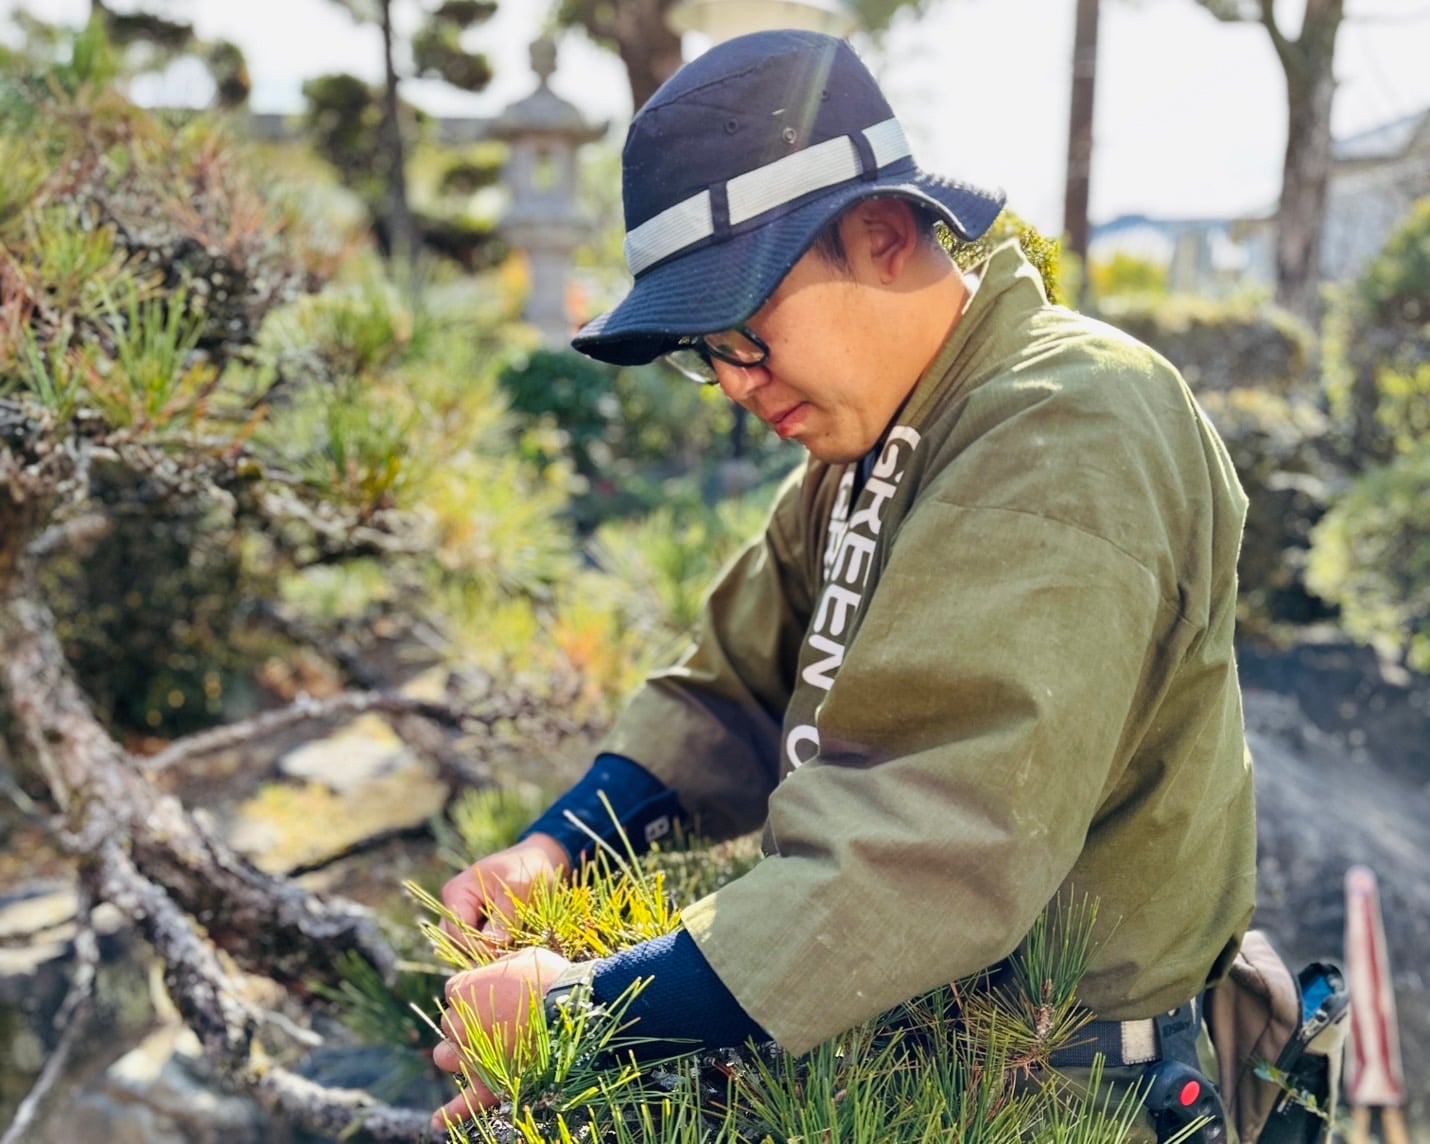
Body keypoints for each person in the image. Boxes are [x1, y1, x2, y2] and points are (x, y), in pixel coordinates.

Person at [430, 27, 1256, 1136]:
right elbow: (728, 686)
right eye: (702, 350)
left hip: (1062, 1090)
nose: (730, 383)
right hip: (871, 1036)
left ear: (877, 233)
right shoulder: (872, 438)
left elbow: (934, 829)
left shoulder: (1071, 420)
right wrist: (557, 844)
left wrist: (585, 1012)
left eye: (741, 330)